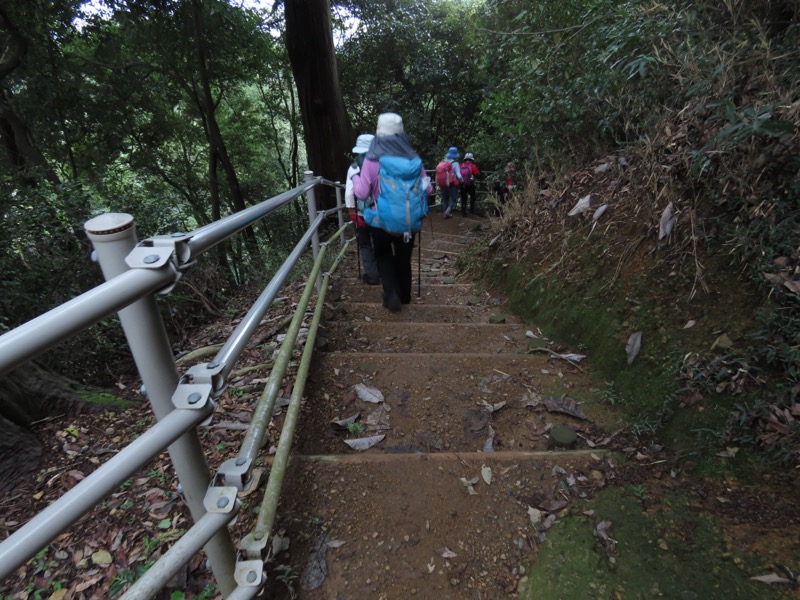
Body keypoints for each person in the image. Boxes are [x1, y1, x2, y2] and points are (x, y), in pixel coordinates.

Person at [352, 113, 432, 312]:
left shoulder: (372, 161)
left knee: (383, 254)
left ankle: (390, 294)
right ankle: (405, 295)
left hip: (381, 221)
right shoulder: (414, 160)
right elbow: (427, 189)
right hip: (408, 221)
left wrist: (355, 178)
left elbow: (362, 194)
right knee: (403, 259)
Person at [345, 133, 380, 285]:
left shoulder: (353, 167)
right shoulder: (380, 164)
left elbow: (349, 193)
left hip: (361, 214)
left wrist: (351, 212)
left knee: (365, 244)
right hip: (379, 212)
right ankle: (384, 272)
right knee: (380, 242)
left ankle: (372, 276)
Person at [437, 146, 463, 218]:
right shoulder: (455, 163)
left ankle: (445, 212)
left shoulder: (443, 162)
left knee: (445, 199)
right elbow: (459, 175)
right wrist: (462, 181)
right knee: (453, 199)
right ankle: (447, 212)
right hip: (451, 184)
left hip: (443, 183)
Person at [459, 152, 481, 216]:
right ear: (472, 159)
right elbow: (477, 175)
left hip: (462, 184)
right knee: (473, 196)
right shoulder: (473, 166)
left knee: (463, 198)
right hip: (470, 184)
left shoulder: (461, 165)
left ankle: (463, 211)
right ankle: (471, 210)